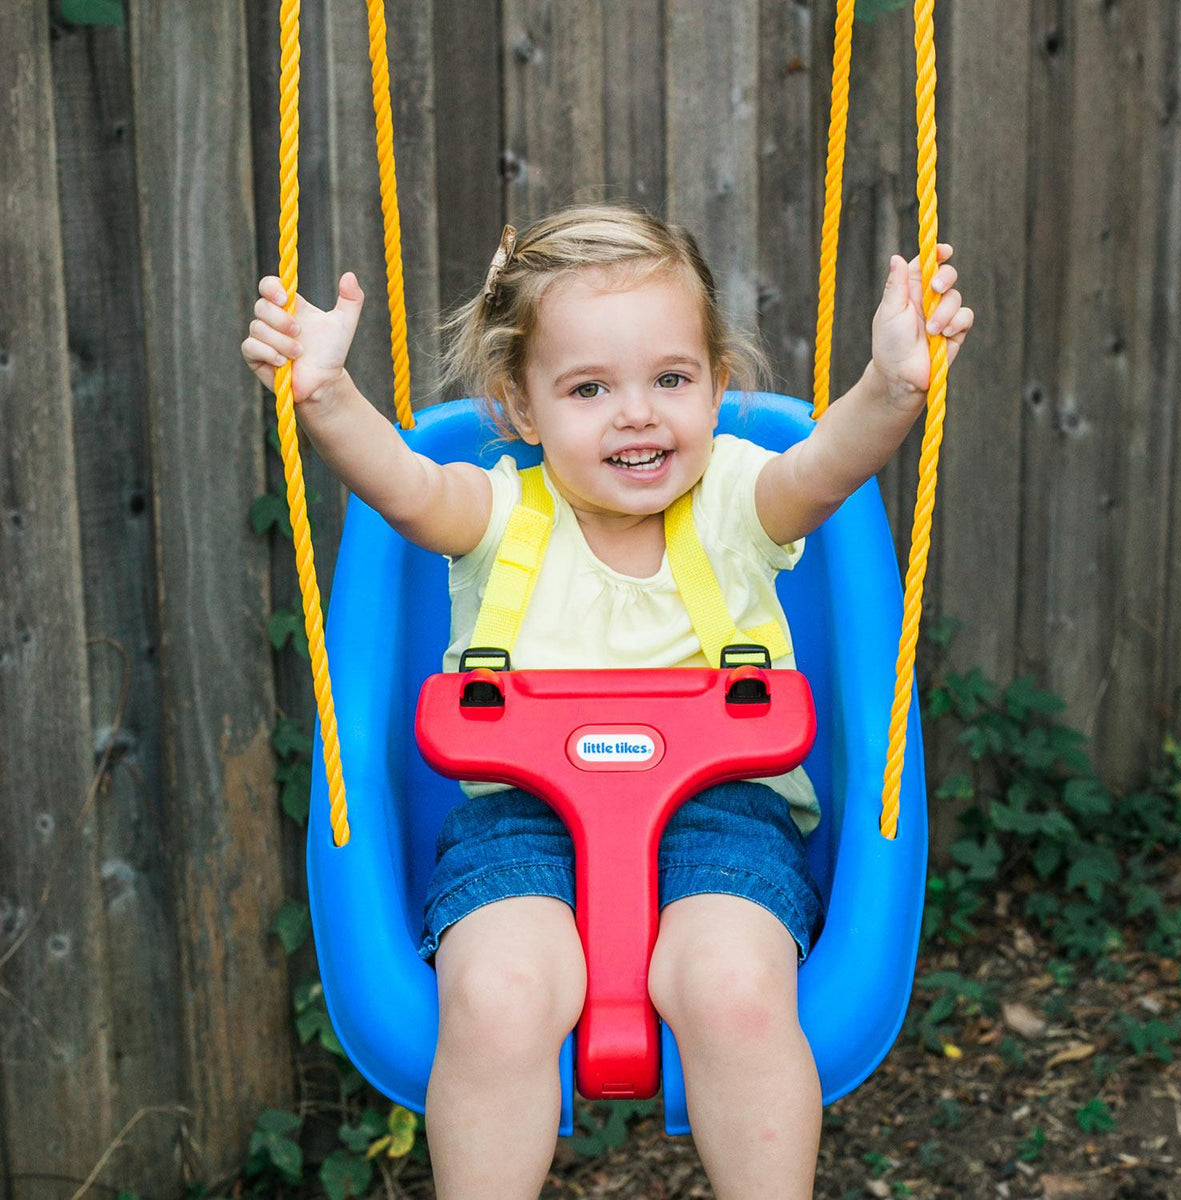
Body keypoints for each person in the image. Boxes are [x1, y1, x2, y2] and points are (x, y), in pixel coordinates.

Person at [242, 204, 972, 1200]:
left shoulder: (740, 502)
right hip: (518, 826)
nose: (639, 414)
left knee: (737, 992)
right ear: (522, 409)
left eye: (672, 379)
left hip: (727, 820)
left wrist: (890, 385)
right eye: (590, 388)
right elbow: (403, 486)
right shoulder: (496, 512)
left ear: (718, 382)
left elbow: (829, 463)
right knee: (497, 996)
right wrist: (323, 394)